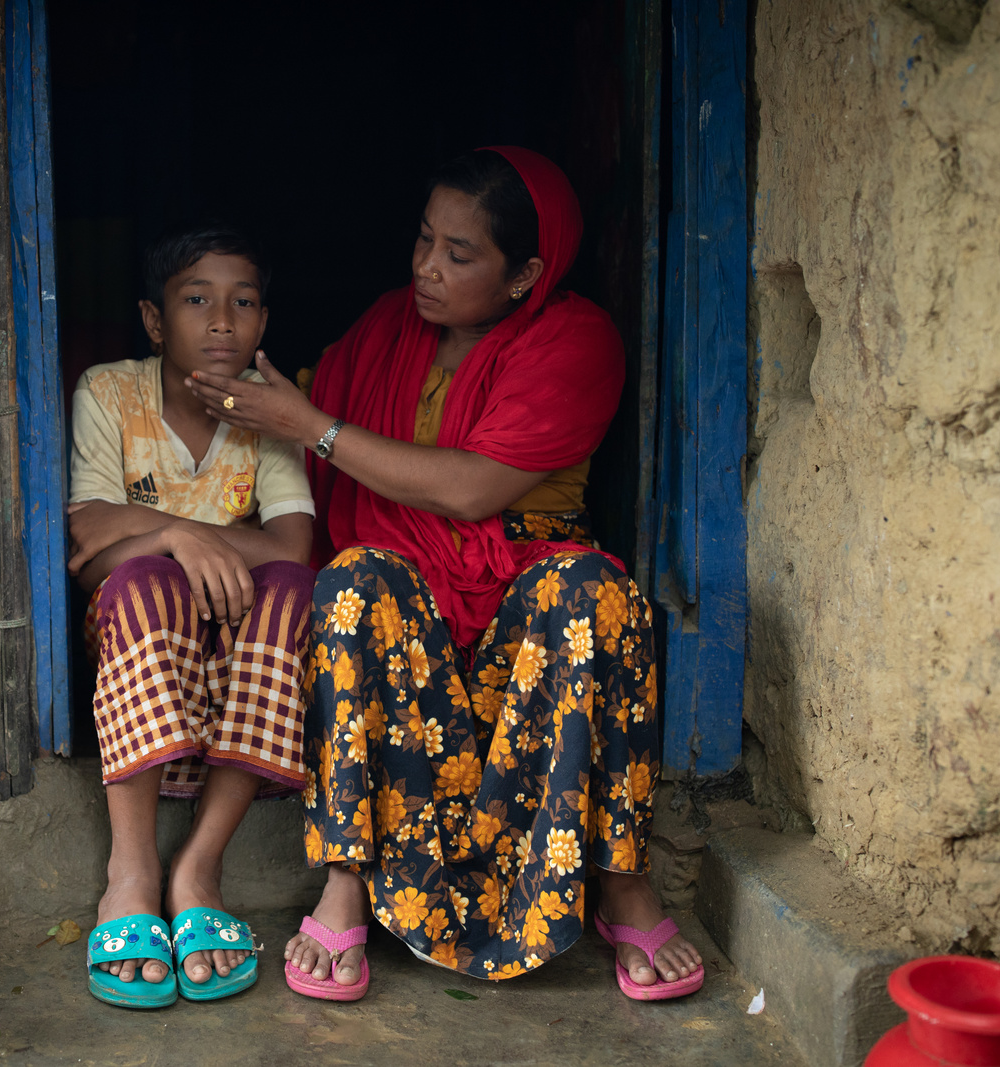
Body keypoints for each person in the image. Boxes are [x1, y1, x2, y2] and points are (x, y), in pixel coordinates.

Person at [183, 147, 706, 1001]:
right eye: (424, 240)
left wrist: (311, 424)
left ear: (525, 273)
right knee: (352, 582)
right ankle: (345, 877)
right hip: (414, 611)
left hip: (524, 617)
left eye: (459, 254)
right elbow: (287, 411)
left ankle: (623, 881)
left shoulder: (575, 341)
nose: (427, 267)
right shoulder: (389, 328)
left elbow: (472, 489)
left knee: (598, 595)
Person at [66, 225, 315, 1009]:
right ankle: (132, 872)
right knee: (143, 579)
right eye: (196, 300)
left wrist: (161, 532)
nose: (220, 322)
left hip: (236, 654)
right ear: (153, 319)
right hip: (142, 640)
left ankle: (198, 867)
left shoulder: (271, 415)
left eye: (242, 303)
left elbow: (293, 550)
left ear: (263, 324)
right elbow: (88, 548)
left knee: (292, 591)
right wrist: (178, 535)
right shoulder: (110, 392)